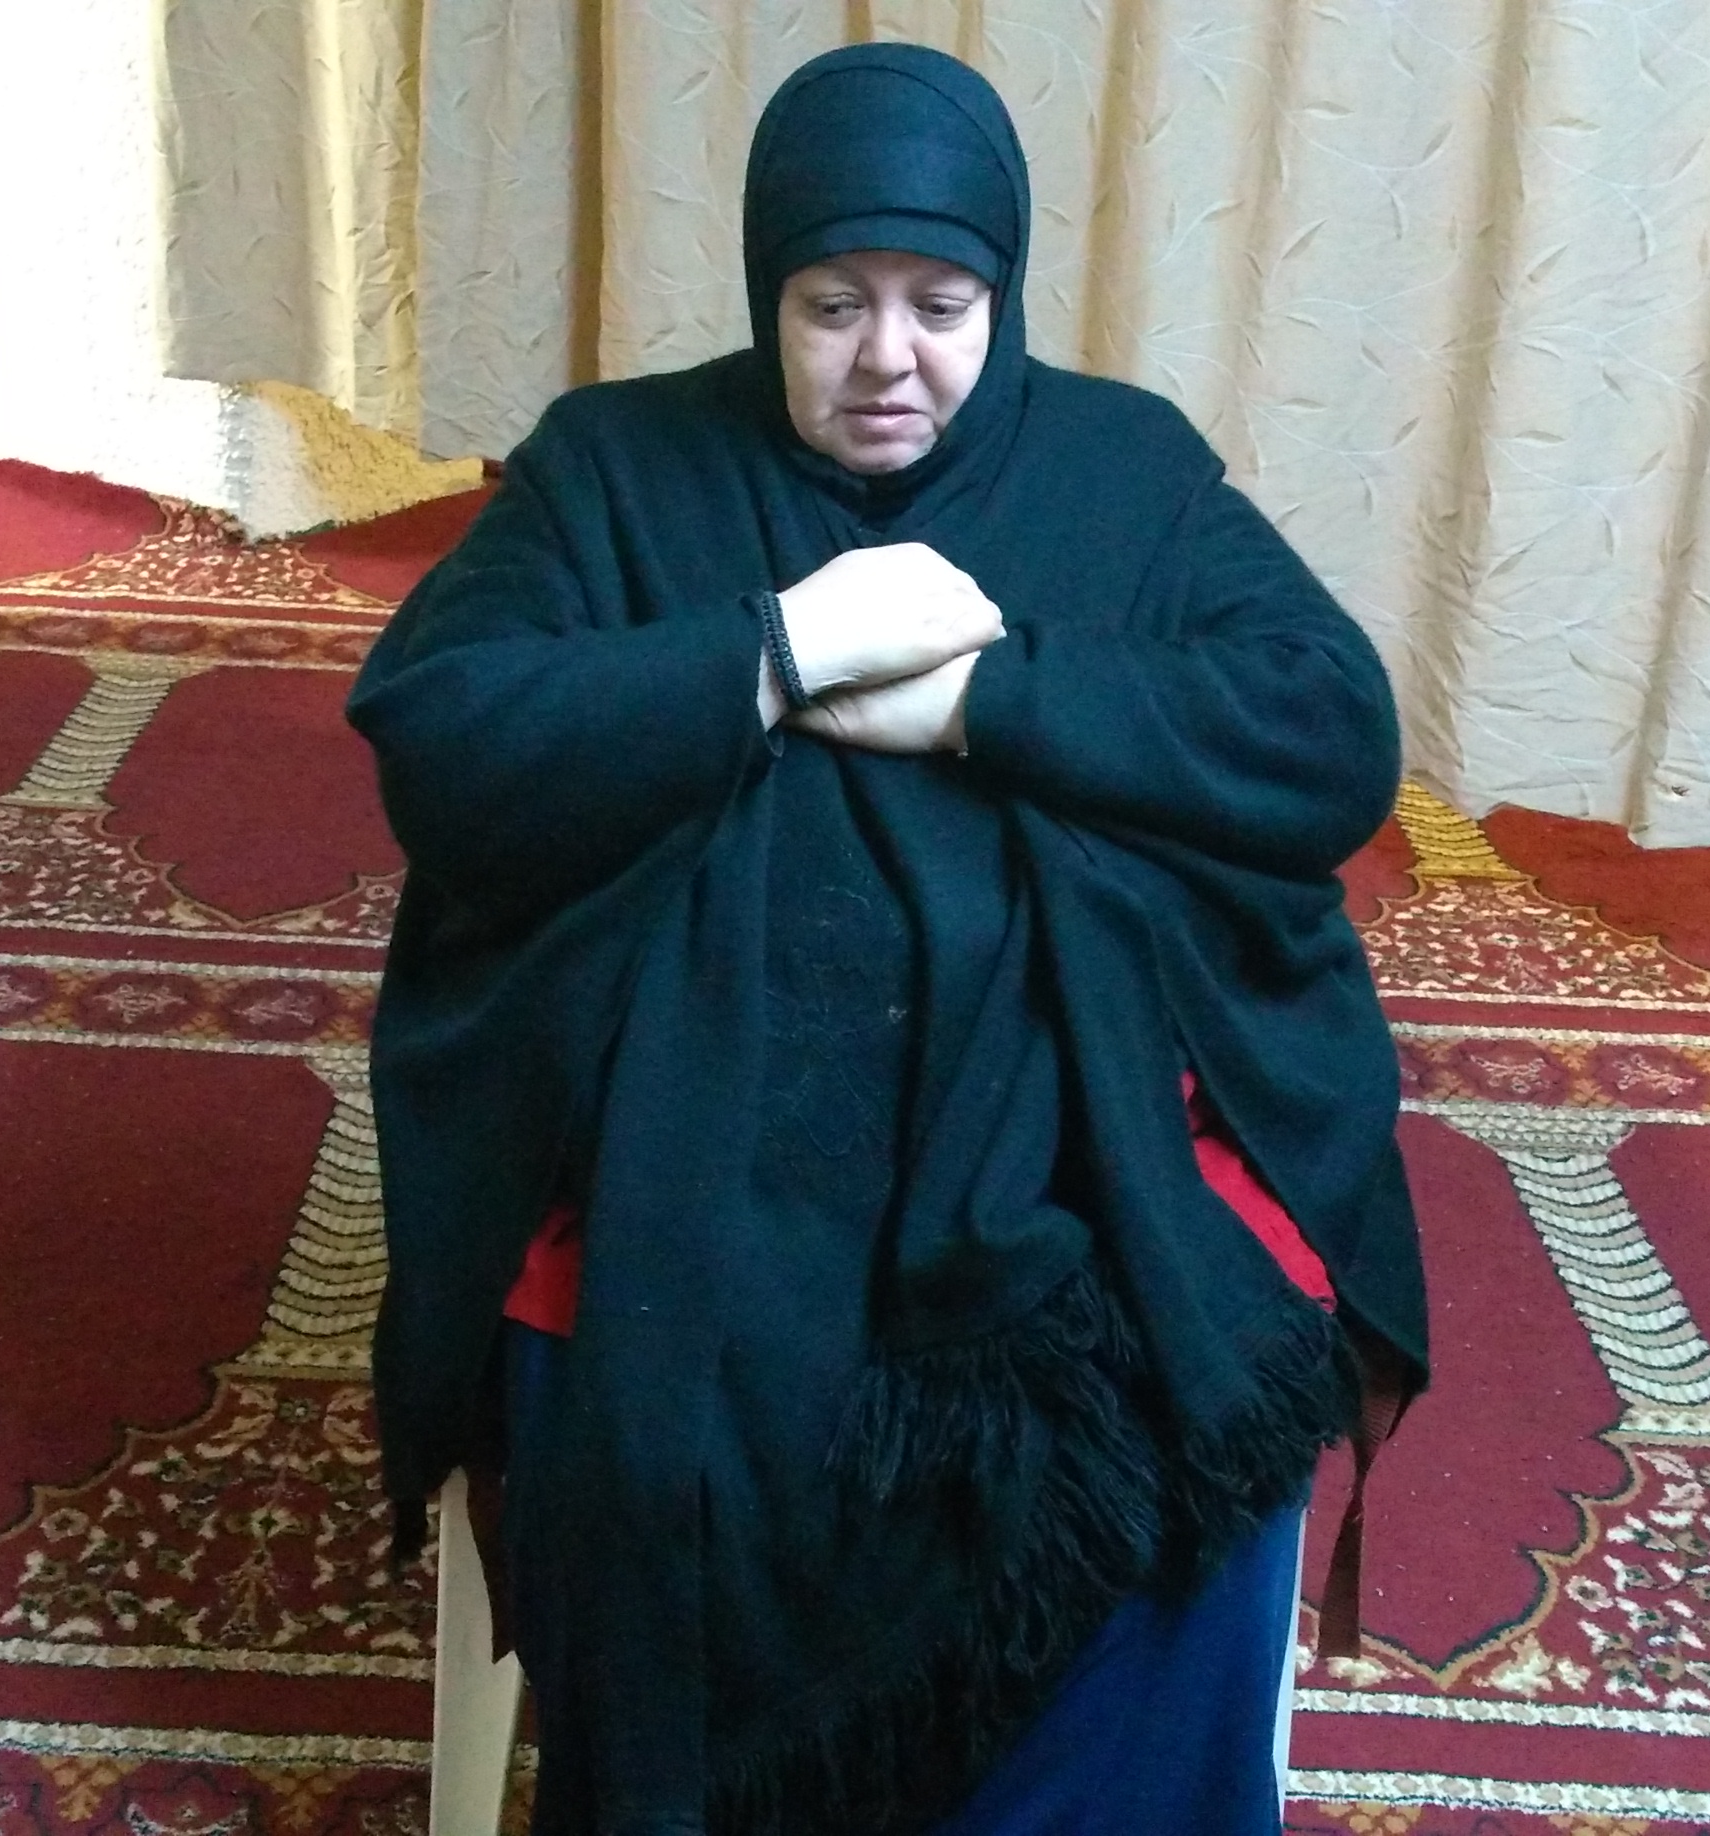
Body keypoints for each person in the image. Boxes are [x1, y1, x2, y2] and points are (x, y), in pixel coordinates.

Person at [349, 42, 1427, 1836]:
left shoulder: (1121, 471)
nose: (889, 359)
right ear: (768, 293)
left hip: (1060, 1135)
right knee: (666, 1446)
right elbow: (442, 735)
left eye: (943, 303)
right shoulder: (619, 470)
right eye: (833, 303)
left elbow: (1327, 730)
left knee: (1185, 1397)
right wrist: (766, 656)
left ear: (1001, 293)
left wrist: (986, 706)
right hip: (704, 1132)